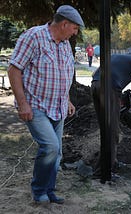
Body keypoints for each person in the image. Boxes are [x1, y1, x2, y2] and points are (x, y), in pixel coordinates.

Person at [7, 5, 84, 204]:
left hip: (57, 107)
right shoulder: (33, 37)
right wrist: (23, 104)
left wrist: (66, 99)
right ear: (64, 24)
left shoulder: (65, 44)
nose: (76, 33)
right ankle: (39, 191)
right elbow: (14, 70)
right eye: (74, 28)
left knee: (56, 153)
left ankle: (49, 191)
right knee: (49, 147)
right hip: (36, 106)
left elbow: (64, 74)